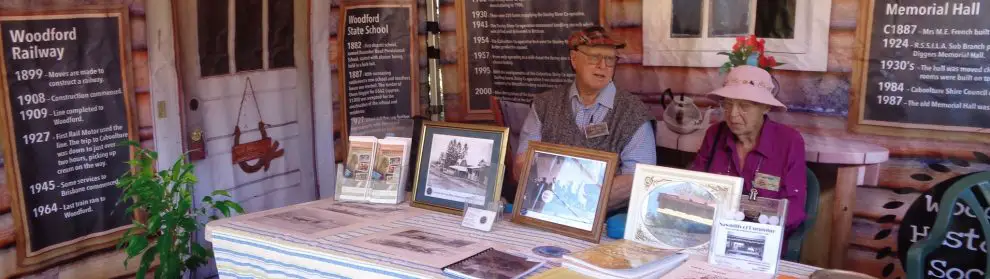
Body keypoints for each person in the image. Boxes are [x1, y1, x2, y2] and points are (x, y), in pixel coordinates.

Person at [514, 26, 656, 211]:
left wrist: (581, 202)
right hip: (546, 209)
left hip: (606, 221)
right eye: (594, 57)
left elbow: (638, 178)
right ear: (574, 59)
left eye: (610, 59)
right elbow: (522, 164)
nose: (603, 66)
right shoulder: (544, 105)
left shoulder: (634, 113)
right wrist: (557, 199)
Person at [690, 65, 807, 241]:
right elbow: (695, 186)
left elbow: (794, 208)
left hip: (762, 239)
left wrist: (750, 230)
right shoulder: (715, 135)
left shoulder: (789, 141)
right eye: (727, 105)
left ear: (766, 107)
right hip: (711, 236)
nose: (733, 115)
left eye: (744, 106)